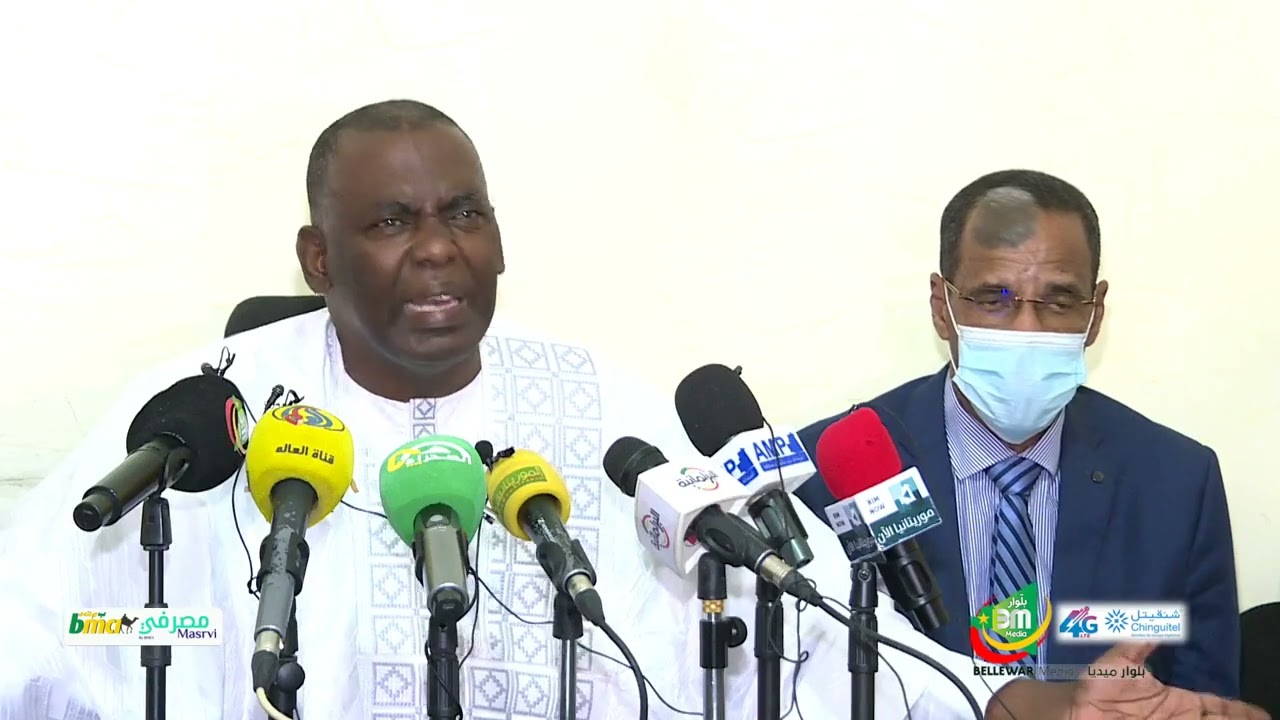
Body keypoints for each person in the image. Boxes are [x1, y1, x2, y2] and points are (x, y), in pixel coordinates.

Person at [0, 104, 1262, 720]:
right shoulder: (216, 408)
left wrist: (1008, 699)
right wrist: (189, 629)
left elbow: (812, 628)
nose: (436, 250)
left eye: (464, 215)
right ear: (317, 258)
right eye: (389, 223)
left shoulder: (607, 410)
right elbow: (65, 621)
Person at [793, 169, 1241, 697]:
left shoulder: (1176, 484)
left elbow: (1205, 700)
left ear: (1095, 314)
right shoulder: (829, 475)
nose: (1027, 330)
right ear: (942, 308)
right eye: (993, 299)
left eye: (1059, 302)